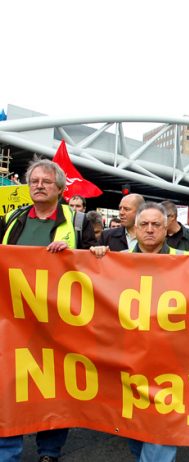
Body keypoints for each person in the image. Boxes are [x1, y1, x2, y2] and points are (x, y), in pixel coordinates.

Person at [90, 202, 189, 462]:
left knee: (161, 432)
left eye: (157, 225)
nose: (150, 230)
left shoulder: (185, 259)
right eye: (144, 224)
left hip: (170, 364)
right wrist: (93, 256)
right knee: (136, 427)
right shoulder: (114, 260)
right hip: (128, 361)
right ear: (135, 228)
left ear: (167, 229)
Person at [0, 158, 97, 462]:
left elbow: (100, 263)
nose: (39, 186)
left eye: (45, 181)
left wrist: (73, 256)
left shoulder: (77, 222)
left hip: (60, 323)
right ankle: (8, 452)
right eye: (34, 182)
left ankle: (49, 451)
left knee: (54, 386)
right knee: (10, 386)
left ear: (59, 188)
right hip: (15, 321)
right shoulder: (14, 218)